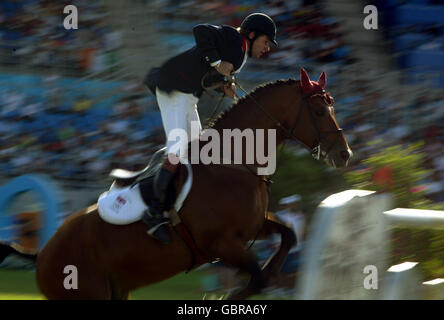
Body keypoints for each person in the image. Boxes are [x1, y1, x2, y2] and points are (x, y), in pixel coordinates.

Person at [140, 13, 278, 243]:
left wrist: (224, 85)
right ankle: (154, 213)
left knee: (199, 150)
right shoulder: (233, 37)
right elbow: (200, 30)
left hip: (188, 96)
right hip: (172, 89)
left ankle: (184, 207)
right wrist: (217, 62)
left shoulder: (241, 52)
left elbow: (208, 76)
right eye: (265, 42)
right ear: (251, 34)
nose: (267, 48)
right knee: (176, 149)